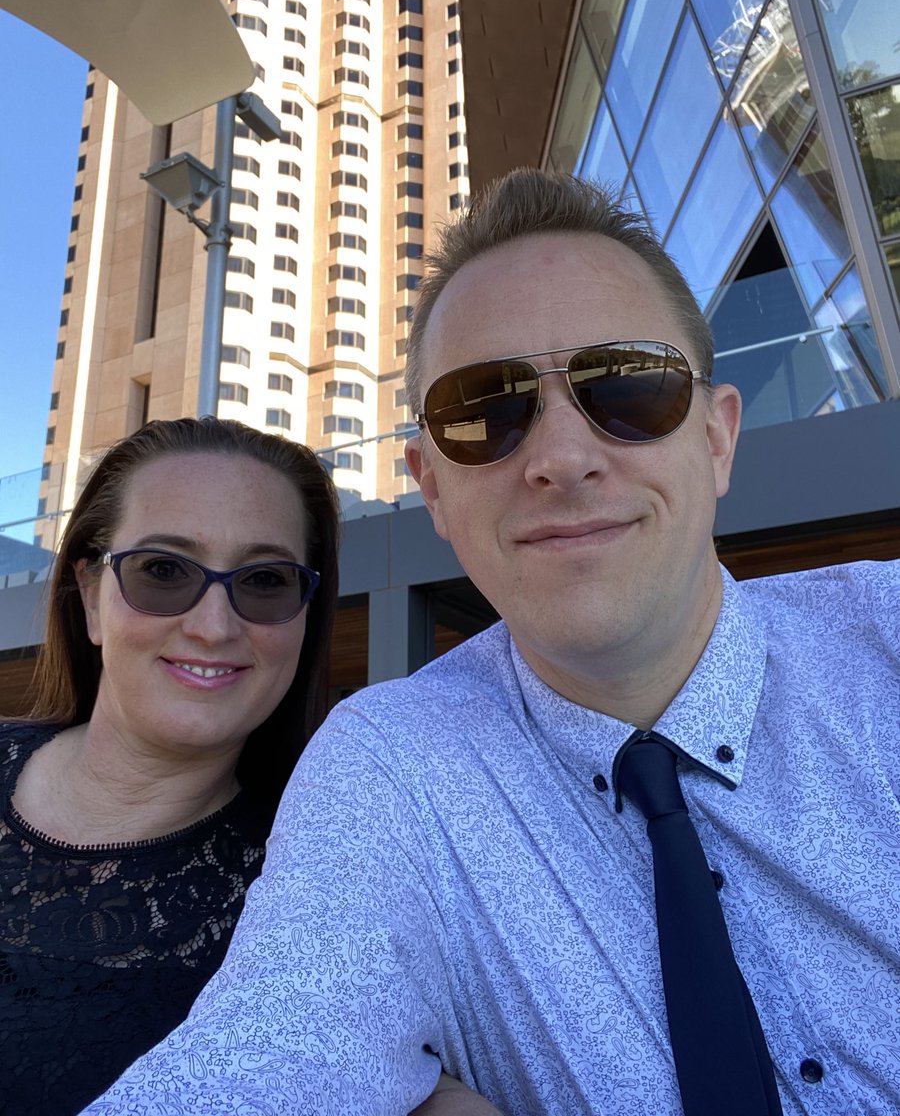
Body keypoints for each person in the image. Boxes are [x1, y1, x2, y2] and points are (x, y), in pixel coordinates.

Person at [85, 171, 900, 1115]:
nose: (560, 457)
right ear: (431, 487)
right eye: (487, 412)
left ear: (717, 440)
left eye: (627, 387)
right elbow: (271, 1049)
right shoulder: (391, 770)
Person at [0, 417, 339, 1115]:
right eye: (163, 570)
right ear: (91, 595)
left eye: (266, 579)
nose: (214, 625)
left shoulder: (318, 898)